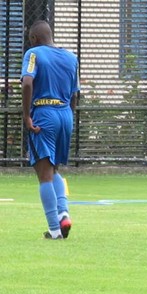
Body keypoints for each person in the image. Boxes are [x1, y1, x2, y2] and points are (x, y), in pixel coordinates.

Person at [21, 20, 80, 240]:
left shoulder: (34, 53)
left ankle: (55, 230)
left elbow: (27, 83)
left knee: (44, 174)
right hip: (65, 114)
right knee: (53, 169)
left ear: (34, 38)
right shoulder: (71, 58)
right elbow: (74, 93)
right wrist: (69, 117)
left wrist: (27, 115)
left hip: (44, 113)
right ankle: (63, 213)